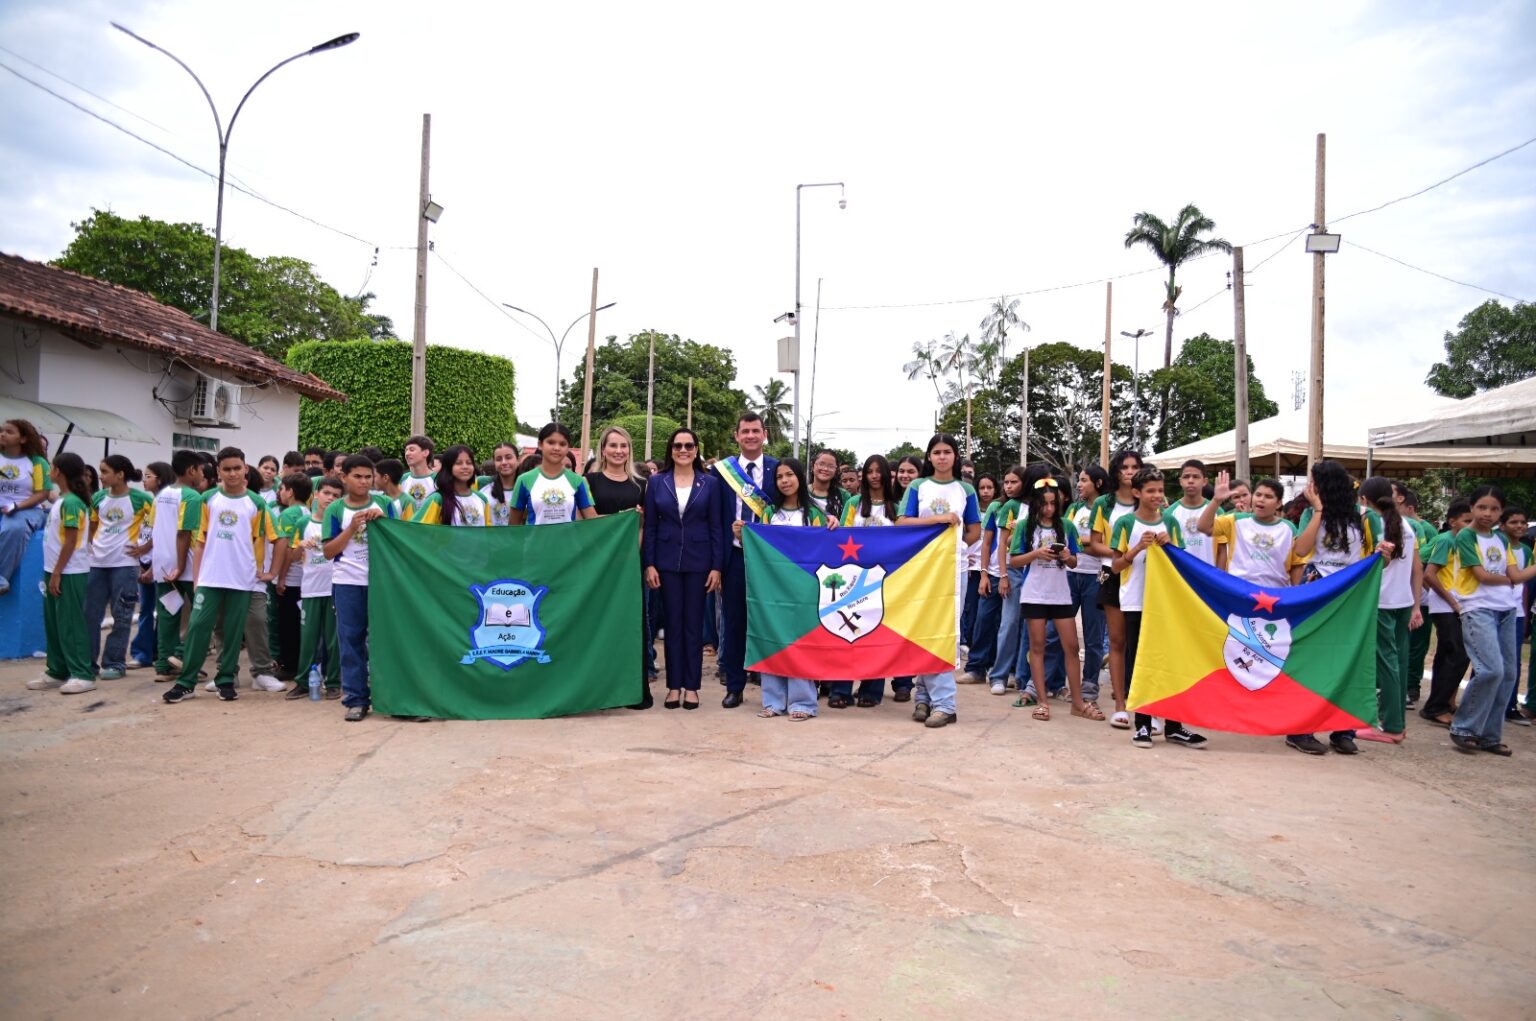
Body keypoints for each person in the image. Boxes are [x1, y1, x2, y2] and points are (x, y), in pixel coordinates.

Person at [161, 448, 280, 704]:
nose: (233, 473)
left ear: (245, 469)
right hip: (210, 578)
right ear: (218, 471)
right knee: (198, 627)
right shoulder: (207, 499)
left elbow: (272, 539)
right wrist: (196, 579)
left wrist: (271, 573)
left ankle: (226, 679)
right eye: (227, 469)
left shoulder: (256, 503)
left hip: (242, 579)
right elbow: (200, 542)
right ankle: (186, 683)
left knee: (234, 633)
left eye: (237, 468)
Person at [1286, 460, 1387, 755]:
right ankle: (1300, 729)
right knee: (1311, 660)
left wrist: (1385, 553)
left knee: (1349, 657)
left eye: (1313, 481)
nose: (1309, 487)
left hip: (1350, 594)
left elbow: (1379, 556)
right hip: (1316, 589)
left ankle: (1344, 729)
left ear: (1325, 484)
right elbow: (1302, 550)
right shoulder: (1309, 513)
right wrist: (1317, 510)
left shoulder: (1366, 517)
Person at [1108, 467, 1207, 749]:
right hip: (1136, 601)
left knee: (1170, 660)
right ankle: (1142, 723)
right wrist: (1137, 548)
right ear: (1137, 493)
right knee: (1141, 661)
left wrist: (1170, 547)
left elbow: (1181, 564)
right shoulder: (1126, 523)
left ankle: (1174, 725)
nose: (1156, 496)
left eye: (1160, 491)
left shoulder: (1171, 523)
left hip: (1167, 604)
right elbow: (1116, 565)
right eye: (1150, 491)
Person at [898, 434, 981, 728]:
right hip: (921, 567)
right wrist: (938, 520)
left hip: (952, 568)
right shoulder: (919, 486)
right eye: (937, 452)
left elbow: (974, 530)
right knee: (922, 629)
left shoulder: (966, 489)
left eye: (948, 452)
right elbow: (902, 522)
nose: (942, 457)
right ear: (929, 457)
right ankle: (924, 697)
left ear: (955, 457)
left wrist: (957, 547)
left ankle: (944, 704)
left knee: (944, 632)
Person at [1445, 487, 1536, 755]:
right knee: (1491, 670)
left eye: (1494, 509)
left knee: (1508, 675)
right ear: (1472, 508)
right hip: (1478, 608)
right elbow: (1482, 576)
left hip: (1506, 609)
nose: (1488, 513)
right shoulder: (1466, 536)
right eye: (1482, 507)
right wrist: (1512, 579)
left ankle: (1489, 735)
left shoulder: (1500, 539)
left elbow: (1516, 575)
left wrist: (1514, 578)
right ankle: (1464, 727)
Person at [643, 427, 723, 710]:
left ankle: (691, 687)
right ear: (671, 449)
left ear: (696, 449)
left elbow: (716, 526)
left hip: (700, 562)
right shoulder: (656, 482)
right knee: (672, 626)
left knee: (693, 626)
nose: (683, 450)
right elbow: (650, 526)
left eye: (689, 445)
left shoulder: (709, 483)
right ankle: (673, 686)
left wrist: (717, 566)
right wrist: (649, 563)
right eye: (678, 446)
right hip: (665, 562)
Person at [1011, 476, 1100, 721]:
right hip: (1035, 593)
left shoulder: (1067, 526)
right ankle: (1042, 701)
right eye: (1044, 503)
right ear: (1036, 504)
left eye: (1053, 503)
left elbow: (1074, 562)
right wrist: (1037, 553)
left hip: (1061, 594)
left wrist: (1067, 556)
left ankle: (1078, 702)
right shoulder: (1024, 527)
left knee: (1071, 647)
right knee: (1037, 647)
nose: (1049, 508)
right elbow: (1014, 560)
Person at [323, 455, 400, 721]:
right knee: (351, 641)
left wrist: (384, 523)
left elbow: (400, 542)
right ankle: (356, 699)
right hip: (347, 583)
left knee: (386, 641)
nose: (364, 481)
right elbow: (328, 551)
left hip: (382, 583)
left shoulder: (386, 505)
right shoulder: (335, 510)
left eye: (369, 476)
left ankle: (392, 698)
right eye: (357, 476)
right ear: (343, 477)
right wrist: (352, 527)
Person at [710, 412, 778, 709]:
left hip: (769, 561)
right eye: (745, 431)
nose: (750, 436)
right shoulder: (722, 472)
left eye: (755, 431)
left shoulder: (779, 469)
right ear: (736, 436)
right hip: (734, 556)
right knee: (735, 621)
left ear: (765, 435)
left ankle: (772, 686)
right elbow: (712, 516)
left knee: (769, 619)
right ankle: (735, 685)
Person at [586, 426, 654, 708]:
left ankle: (633, 689)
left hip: (629, 565)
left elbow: (644, 525)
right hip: (597, 565)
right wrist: (617, 519)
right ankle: (599, 688)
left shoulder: (641, 485)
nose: (618, 451)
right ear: (603, 449)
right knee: (598, 624)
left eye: (623, 446)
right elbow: (586, 521)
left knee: (631, 625)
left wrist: (632, 553)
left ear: (630, 449)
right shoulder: (589, 481)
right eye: (612, 445)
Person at [755, 458, 826, 720]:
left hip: (804, 590)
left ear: (799, 477)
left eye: (790, 475)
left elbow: (824, 550)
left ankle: (803, 703)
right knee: (771, 640)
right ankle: (773, 701)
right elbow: (757, 545)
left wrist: (833, 527)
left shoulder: (815, 515)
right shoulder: (767, 514)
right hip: (771, 589)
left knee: (802, 644)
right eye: (780, 477)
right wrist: (742, 533)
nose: (785, 481)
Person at [829, 454, 903, 708]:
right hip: (855, 578)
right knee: (847, 633)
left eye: (878, 470)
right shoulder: (854, 503)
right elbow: (844, 535)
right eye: (869, 471)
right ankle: (841, 689)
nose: (874, 475)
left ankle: (871, 690)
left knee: (877, 635)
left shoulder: (898, 505)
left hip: (887, 579)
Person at [1355, 477, 1420, 744]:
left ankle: (1392, 726)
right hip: (1401, 600)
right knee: (1398, 663)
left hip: (1380, 602)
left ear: (1363, 501)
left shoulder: (1373, 524)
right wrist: (1416, 604)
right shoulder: (1406, 525)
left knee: (1387, 663)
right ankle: (1395, 721)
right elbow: (1416, 566)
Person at [26, 453, 95, 693]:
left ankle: (82, 674)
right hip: (54, 569)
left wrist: (57, 572)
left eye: (52, 468)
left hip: (69, 571)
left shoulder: (73, 502)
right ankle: (57, 670)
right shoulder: (62, 500)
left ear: (60, 472)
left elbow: (72, 539)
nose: (48, 471)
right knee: (54, 622)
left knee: (70, 623)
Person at [1089, 449, 1146, 729]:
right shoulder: (1104, 503)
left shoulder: (1150, 499)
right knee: (1117, 641)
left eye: (1135, 466)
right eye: (1124, 467)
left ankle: (1145, 703)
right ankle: (1121, 704)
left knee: (1144, 642)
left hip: (1146, 576)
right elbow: (1093, 542)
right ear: (1116, 471)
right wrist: (1120, 555)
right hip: (1113, 574)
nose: (1130, 471)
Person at [83, 455, 152, 681]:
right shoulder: (98, 497)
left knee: (121, 615)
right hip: (97, 564)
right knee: (89, 615)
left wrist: (145, 548)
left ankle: (114, 663)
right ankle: (87, 663)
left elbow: (160, 525)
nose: (100, 476)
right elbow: (93, 525)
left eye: (104, 472)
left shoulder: (141, 499)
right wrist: (91, 547)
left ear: (120, 474)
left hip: (125, 564)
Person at [1045, 465, 1110, 705]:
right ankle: (1050, 681)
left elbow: (1108, 545)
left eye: (1084, 481)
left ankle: (1089, 686)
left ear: (1099, 484)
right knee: (1055, 631)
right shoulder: (1074, 509)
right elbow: (1064, 540)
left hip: (1096, 576)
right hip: (1070, 575)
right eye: (1079, 480)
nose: (1079, 485)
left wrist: (1083, 543)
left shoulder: (1107, 510)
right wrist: (1090, 543)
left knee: (1093, 637)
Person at [149, 451, 205, 681]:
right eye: (201, 470)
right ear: (191, 470)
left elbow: (153, 528)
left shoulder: (160, 495)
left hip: (162, 564)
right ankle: (181, 656)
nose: (203, 474)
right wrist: (181, 565)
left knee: (168, 614)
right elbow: (184, 532)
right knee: (201, 614)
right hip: (187, 565)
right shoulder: (192, 497)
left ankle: (164, 665)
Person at [287, 475, 343, 701]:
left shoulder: (339, 522)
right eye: (327, 493)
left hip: (334, 588)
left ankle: (333, 683)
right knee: (308, 638)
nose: (330, 498)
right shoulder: (303, 523)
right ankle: (302, 682)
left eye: (336, 496)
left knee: (333, 639)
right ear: (316, 494)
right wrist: (300, 545)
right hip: (310, 589)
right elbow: (291, 557)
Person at [1420, 500, 1473, 727]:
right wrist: (1452, 602)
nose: (1471, 525)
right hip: (1446, 606)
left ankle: (1445, 700)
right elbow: (1429, 574)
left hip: (1460, 605)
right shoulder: (1446, 541)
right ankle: (1436, 706)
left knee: (1451, 654)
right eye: (1466, 520)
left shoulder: (1468, 542)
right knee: (1456, 653)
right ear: (1452, 521)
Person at [962, 471, 1009, 685]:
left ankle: (1002, 669)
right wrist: (983, 573)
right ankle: (976, 667)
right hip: (988, 571)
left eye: (990, 487)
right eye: (1006, 481)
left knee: (1007, 624)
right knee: (981, 619)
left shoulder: (1026, 507)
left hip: (1014, 573)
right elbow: (987, 543)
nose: (986, 491)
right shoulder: (995, 509)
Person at [126, 461, 172, 671]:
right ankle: (143, 653)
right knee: (146, 609)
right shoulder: (150, 502)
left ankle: (161, 653)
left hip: (162, 565)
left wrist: (152, 565)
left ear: (160, 479)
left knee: (166, 611)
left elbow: (162, 536)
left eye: (149, 476)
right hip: (146, 564)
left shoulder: (165, 502)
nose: (144, 480)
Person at [988, 465, 1029, 696]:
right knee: (1009, 623)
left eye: (1015, 481)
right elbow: (1002, 545)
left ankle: (1021, 676)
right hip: (1013, 572)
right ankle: (999, 675)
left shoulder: (1042, 506)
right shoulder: (1010, 507)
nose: (1009, 486)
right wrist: (1002, 575)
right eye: (1007, 482)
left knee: (1029, 626)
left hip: (1035, 571)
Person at [0, 418, 53, 596]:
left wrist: (17, 506)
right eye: (2, 431)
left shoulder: (37, 462)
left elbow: (43, 493)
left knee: (13, 528)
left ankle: (1, 577)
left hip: (27, 509)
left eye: (9, 432)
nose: (3, 434)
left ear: (23, 439)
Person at [272, 473, 313, 681]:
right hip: (303, 576)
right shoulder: (308, 511)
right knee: (298, 623)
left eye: (282, 488)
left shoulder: (289, 514)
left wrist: (281, 578)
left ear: (291, 492)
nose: (280, 492)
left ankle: (288, 664)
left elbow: (288, 548)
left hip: (292, 577)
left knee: (287, 624)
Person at [960, 473, 996, 659]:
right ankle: (966, 642)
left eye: (989, 487)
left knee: (986, 611)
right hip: (971, 566)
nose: (985, 491)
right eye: (982, 488)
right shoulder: (969, 509)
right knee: (969, 608)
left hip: (992, 567)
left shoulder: (999, 509)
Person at [409, 446, 491, 525]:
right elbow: (415, 529)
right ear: (448, 467)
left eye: (469, 463)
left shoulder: (482, 499)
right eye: (458, 463)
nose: (465, 467)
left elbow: (488, 533)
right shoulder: (438, 499)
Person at [1171, 461, 1216, 567]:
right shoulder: (1170, 513)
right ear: (1180, 481)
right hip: (1181, 576)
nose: (1190, 481)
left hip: (1210, 577)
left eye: (1196, 477)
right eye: (1186, 477)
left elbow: (1223, 548)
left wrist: (1220, 577)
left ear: (1204, 481)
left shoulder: (1217, 511)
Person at [398, 434, 438, 520]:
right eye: (406, 450)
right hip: (406, 529)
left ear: (425, 453)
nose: (407, 454)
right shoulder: (402, 479)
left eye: (412, 450)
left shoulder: (438, 479)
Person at [482, 442, 522, 526]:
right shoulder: (484, 492)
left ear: (518, 460)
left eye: (508, 457)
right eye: (499, 459)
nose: (504, 462)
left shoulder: (527, 489)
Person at [807, 449, 847, 525]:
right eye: (821, 464)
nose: (825, 469)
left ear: (836, 470)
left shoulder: (843, 495)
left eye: (831, 466)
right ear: (812, 466)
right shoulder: (800, 493)